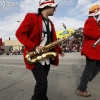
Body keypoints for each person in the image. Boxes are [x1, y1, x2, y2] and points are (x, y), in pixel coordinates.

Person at [15, 0, 64, 100]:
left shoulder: (51, 23)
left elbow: (52, 40)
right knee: (42, 83)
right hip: (34, 55)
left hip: (46, 57)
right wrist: (34, 47)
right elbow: (19, 34)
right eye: (54, 7)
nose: (55, 9)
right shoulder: (31, 17)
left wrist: (59, 50)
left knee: (43, 82)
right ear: (47, 6)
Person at [76, 4, 100, 97]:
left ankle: (85, 79)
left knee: (97, 66)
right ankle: (81, 89)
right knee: (89, 69)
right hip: (91, 49)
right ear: (96, 12)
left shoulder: (95, 21)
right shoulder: (90, 20)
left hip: (95, 50)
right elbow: (86, 32)